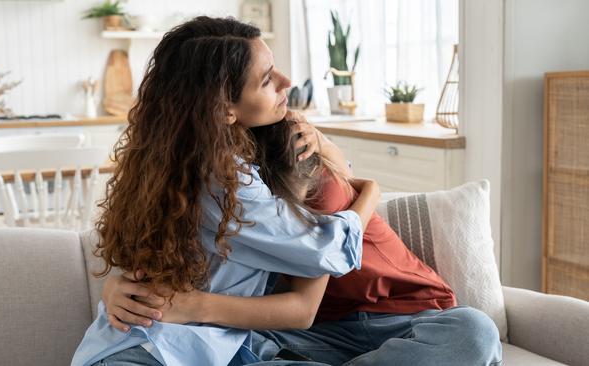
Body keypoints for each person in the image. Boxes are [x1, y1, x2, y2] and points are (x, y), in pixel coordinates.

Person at [71, 15, 379, 366]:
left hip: (150, 348)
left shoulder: (175, 161)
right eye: (266, 80)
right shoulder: (223, 177)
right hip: (152, 353)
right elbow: (327, 248)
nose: (286, 82)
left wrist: (324, 146)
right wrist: (372, 191)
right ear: (224, 109)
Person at [107, 120, 503, 366]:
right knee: (232, 347)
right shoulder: (234, 197)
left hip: (407, 318)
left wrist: (360, 185)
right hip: (315, 336)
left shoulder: (313, 183)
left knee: (473, 331)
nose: (283, 87)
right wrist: (117, 288)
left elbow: (309, 291)